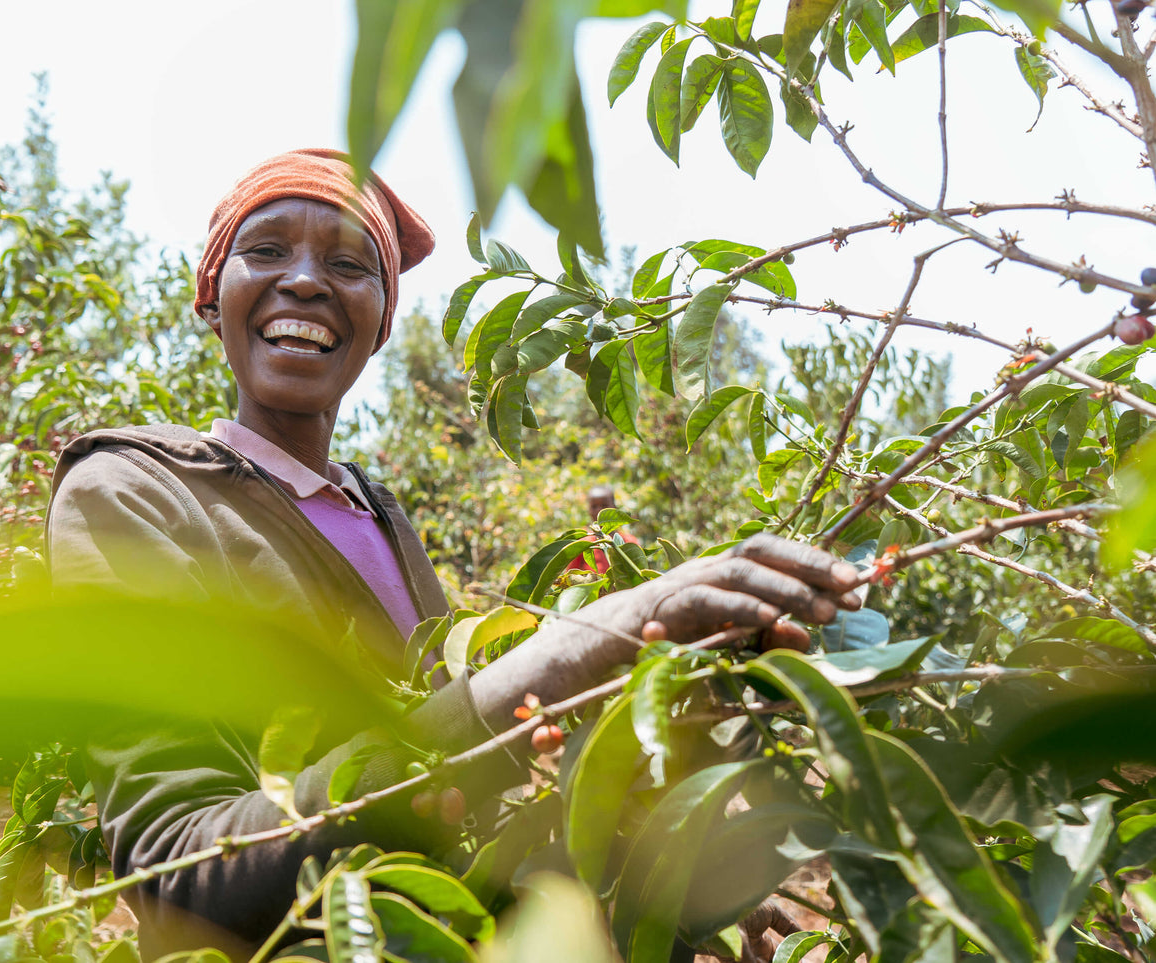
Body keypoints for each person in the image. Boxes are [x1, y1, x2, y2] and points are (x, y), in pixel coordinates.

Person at [44, 149, 864, 959]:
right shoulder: (132, 489)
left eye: (347, 263)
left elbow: (454, 807)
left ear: (380, 321)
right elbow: (177, 868)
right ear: (210, 294)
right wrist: (573, 651)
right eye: (264, 251)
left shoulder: (380, 517)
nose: (303, 280)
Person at [567, 484, 639, 575]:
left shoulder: (629, 542)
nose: (599, 511)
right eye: (594, 506)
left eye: (604, 506)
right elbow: (570, 575)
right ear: (588, 510)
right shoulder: (582, 542)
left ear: (614, 508)